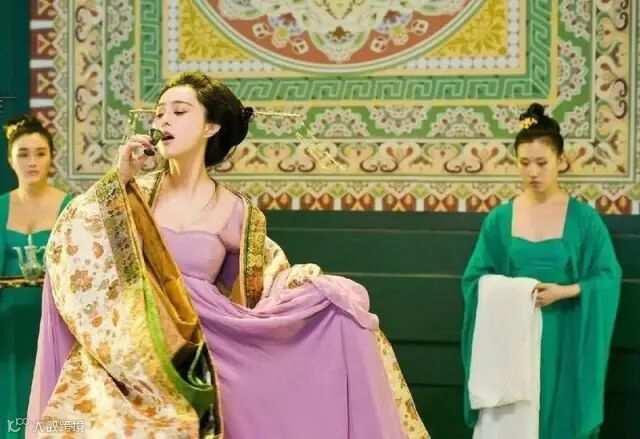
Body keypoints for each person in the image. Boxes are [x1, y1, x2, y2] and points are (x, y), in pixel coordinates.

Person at [27, 71, 429, 438]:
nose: (164, 120)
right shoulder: (132, 193)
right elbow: (72, 239)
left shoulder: (239, 211)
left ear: (211, 126)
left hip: (211, 344)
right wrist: (120, 178)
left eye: (179, 111)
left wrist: (311, 287)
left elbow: (267, 279)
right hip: (138, 343)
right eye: (159, 112)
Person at [461, 103, 621, 438]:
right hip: (512, 340)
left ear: (560, 160)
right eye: (524, 163)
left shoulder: (584, 220)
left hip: (564, 336)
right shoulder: (499, 220)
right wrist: (513, 293)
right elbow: (474, 280)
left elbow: (608, 277)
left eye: (542, 162)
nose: (533, 171)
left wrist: (566, 291)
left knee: (558, 417)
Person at [0, 115, 72, 437]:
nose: (32, 161)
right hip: (7, 330)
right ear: (10, 159)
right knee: (10, 409)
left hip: (54, 325)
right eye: (23, 153)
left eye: (40, 153)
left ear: (51, 157)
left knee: (51, 410)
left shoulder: (71, 207)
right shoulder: (0, 207)